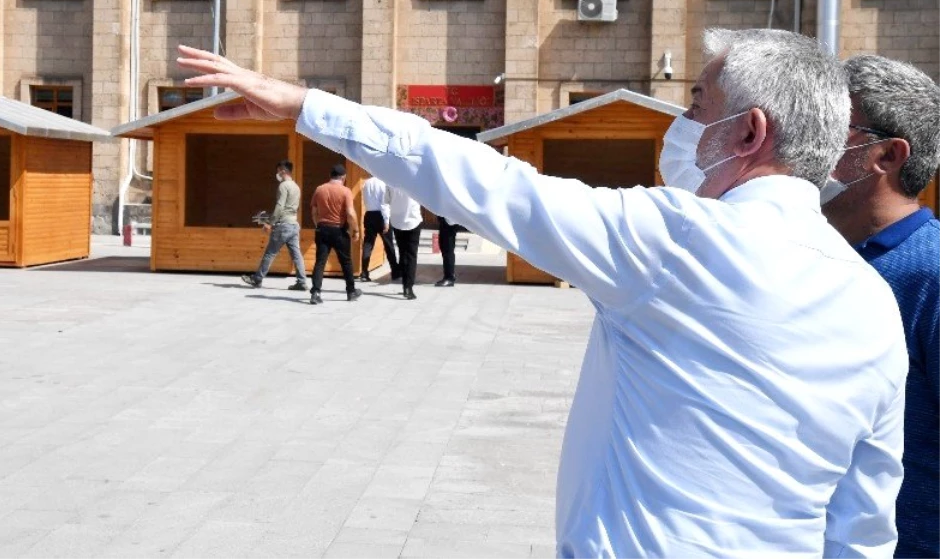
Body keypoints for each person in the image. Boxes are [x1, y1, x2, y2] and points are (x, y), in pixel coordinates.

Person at [176, 30, 908, 556]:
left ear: (748, 131)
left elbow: (491, 184)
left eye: (695, 102)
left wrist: (307, 104)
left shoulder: (677, 242)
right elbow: (864, 526)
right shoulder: (873, 303)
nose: (681, 124)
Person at [821, 54, 940, 558]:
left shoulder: (930, 272)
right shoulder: (814, 259)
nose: (806, 141)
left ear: (887, 156)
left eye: (828, 126)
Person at [241, 159, 309, 292]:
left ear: (283, 171)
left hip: (282, 225)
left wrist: (269, 223)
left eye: (278, 171)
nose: (277, 173)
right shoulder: (296, 186)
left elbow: (280, 206)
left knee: (270, 253)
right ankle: (302, 282)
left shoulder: (283, 186)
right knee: (297, 254)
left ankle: (257, 279)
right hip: (293, 224)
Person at [308, 163, 360, 305]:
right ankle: (351, 292)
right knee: (346, 262)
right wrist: (355, 230)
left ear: (330, 176)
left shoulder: (319, 189)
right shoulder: (345, 191)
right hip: (339, 230)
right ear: (343, 177)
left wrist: (318, 225)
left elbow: (313, 212)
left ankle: (316, 292)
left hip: (322, 228)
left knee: (320, 262)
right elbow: (350, 213)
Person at [383, 185, 422, 300]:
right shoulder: (413, 180)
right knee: (411, 255)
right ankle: (408, 287)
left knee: (403, 253)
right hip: (413, 220)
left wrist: (386, 219)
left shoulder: (390, 181)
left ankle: (405, 285)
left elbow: (385, 202)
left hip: (397, 221)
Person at [358, 175, 400, 282]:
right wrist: (386, 220)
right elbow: (384, 204)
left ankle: (364, 272)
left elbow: (365, 199)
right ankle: (395, 271)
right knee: (388, 244)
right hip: (381, 215)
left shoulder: (366, 183)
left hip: (369, 214)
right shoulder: (384, 183)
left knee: (368, 243)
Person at [435, 215, 460, 287]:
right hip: (445, 221)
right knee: (444, 247)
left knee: (448, 250)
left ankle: (450, 278)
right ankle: (448, 276)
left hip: (449, 222)